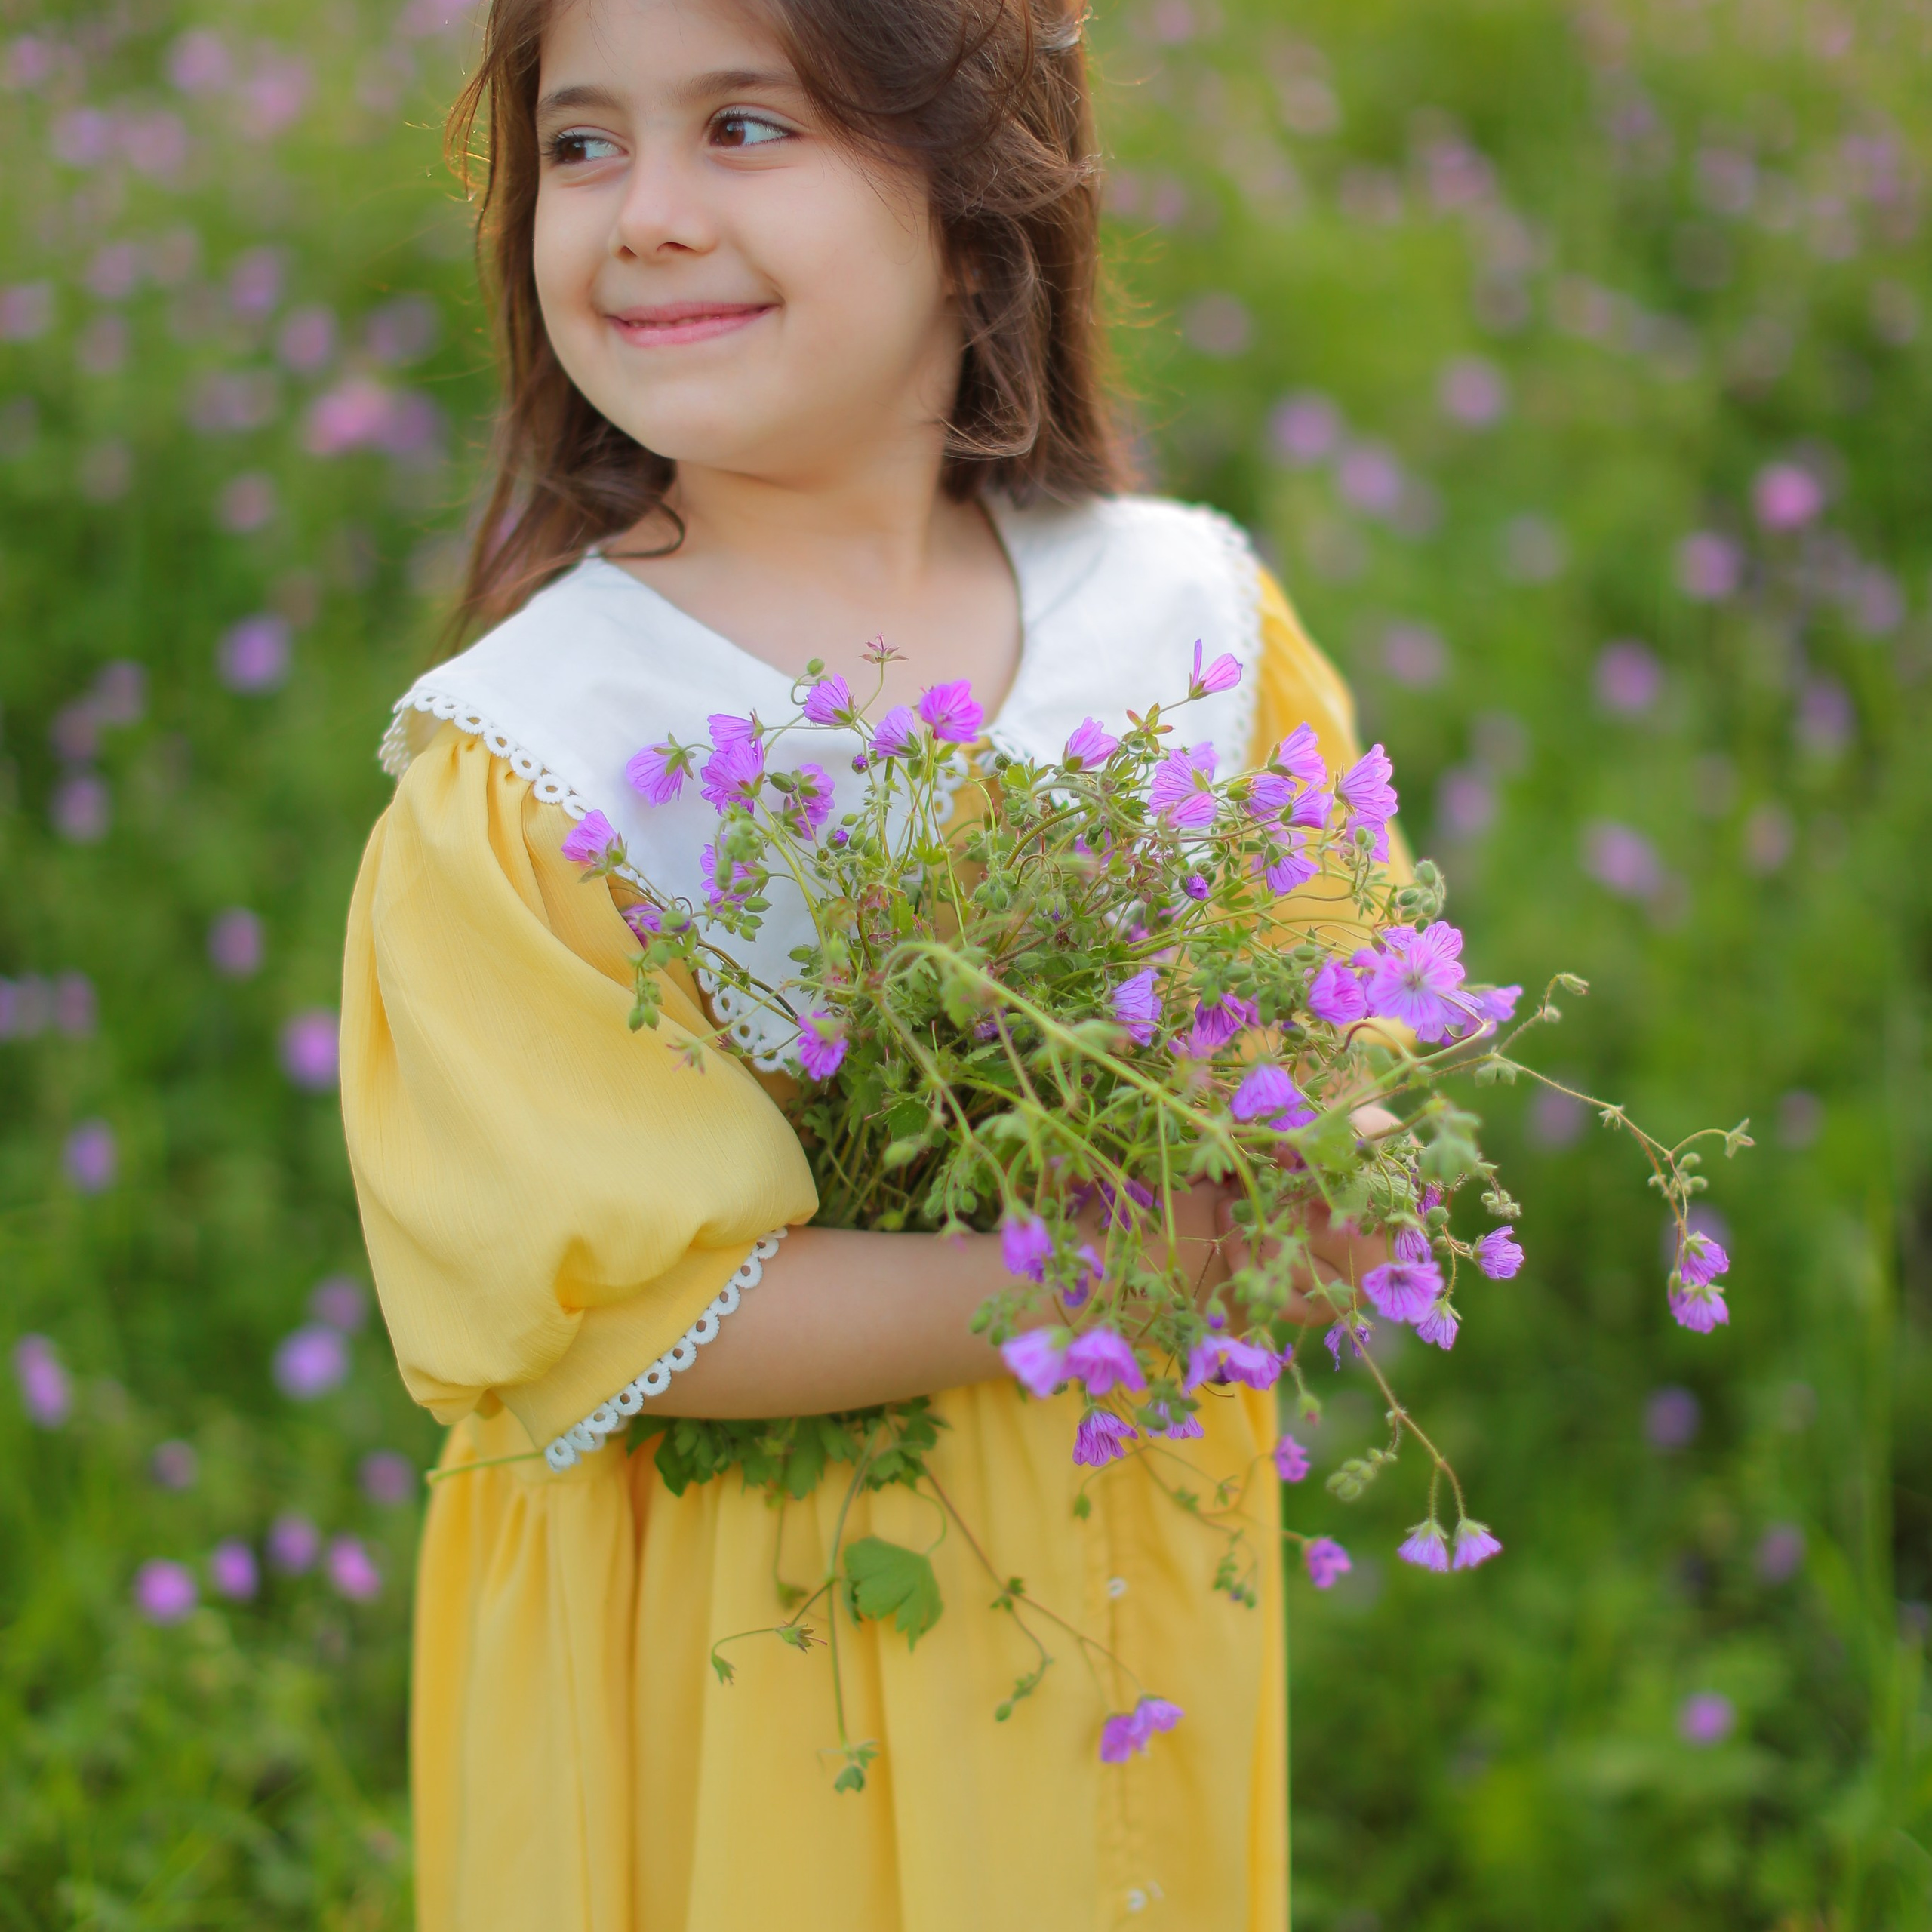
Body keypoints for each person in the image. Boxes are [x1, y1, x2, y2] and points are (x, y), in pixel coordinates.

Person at [340, 0, 1394, 1924]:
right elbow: (625, 1310)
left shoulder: (1182, 625)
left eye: (743, 127)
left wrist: (1321, 1172)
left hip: (1110, 1598)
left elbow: (1336, 1093)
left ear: (976, 176)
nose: (640, 213)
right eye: (581, 144)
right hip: (739, 1672)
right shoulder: (543, 757)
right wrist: (1109, 1260)